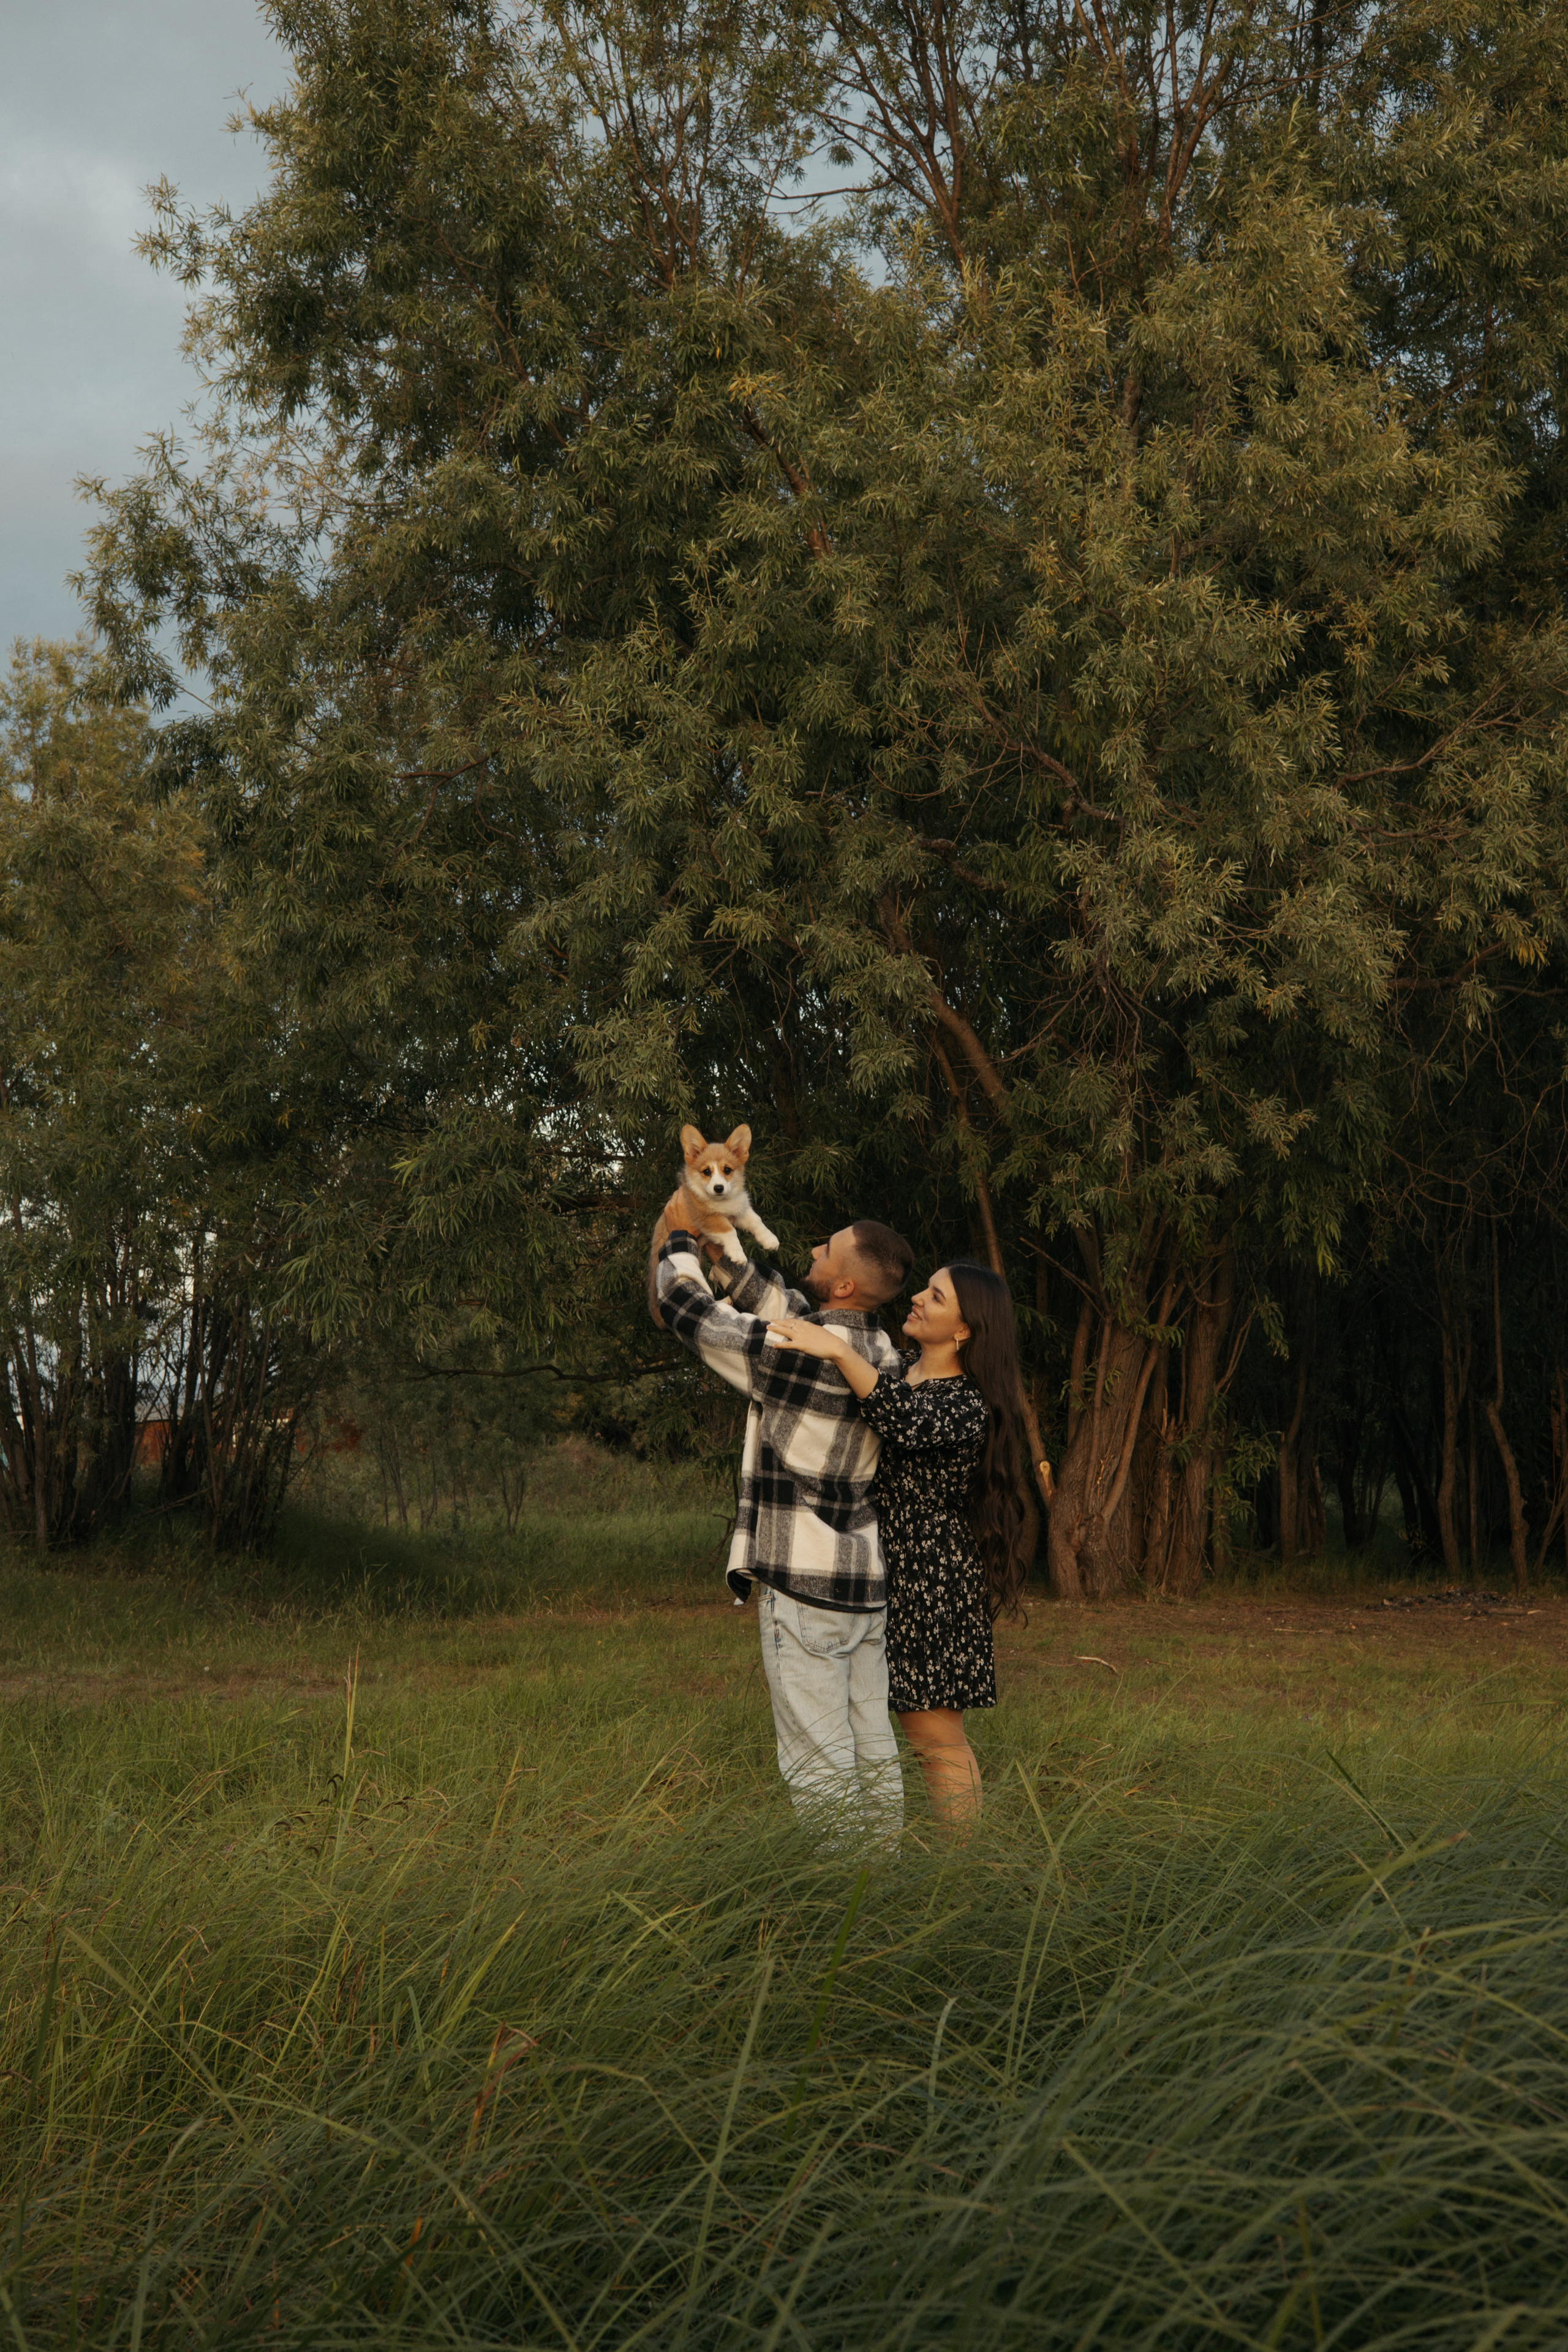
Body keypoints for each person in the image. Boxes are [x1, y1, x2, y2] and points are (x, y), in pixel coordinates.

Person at [652, 1217, 915, 1837]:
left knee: (819, 1765)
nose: (815, 1246)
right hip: (865, 1589)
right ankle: (887, 1890)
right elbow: (789, 1308)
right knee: (873, 1749)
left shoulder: (792, 1351)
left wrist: (680, 1244)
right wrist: (726, 1258)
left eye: (827, 1247)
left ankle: (844, 1915)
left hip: (803, 1590)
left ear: (844, 1285)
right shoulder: (878, 1355)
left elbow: (684, 1309)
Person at [766, 1261, 1032, 1827]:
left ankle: (961, 1873)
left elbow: (904, 1420)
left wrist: (837, 1351)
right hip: (893, 1569)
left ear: (964, 1330)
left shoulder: (966, 1400)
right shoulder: (902, 1366)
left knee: (934, 1736)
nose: (916, 1298)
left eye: (935, 1297)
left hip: (934, 1581)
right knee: (893, 1726)